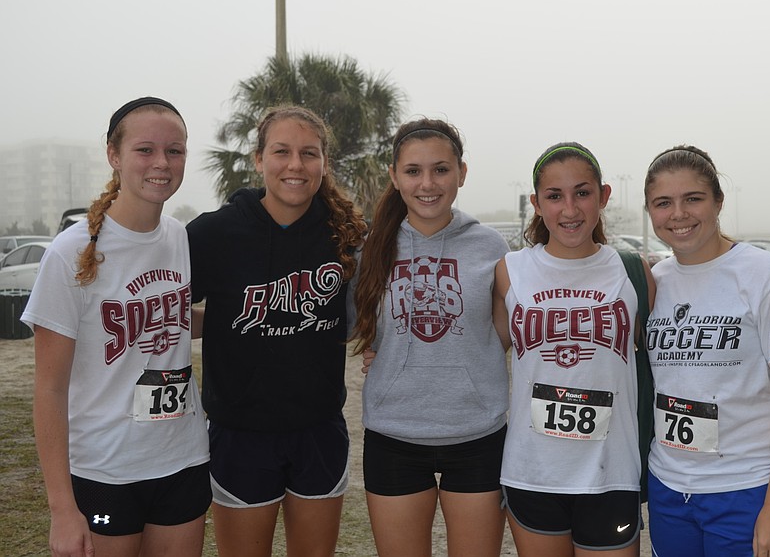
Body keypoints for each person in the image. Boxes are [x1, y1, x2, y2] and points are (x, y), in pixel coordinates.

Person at [24, 97, 210, 557]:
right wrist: (63, 509)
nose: (162, 163)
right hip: (105, 469)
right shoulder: (70, 253)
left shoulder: (178, 236)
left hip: (182, 458)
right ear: (113, 154)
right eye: (145, 150)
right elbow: (49, 390)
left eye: (175, 150)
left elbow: (173, 319)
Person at [186, 105, 367, 557]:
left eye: (309, 153)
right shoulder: (214, 233)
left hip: (319, 430)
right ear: (258, 158)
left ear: (324, 162)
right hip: (240, 434)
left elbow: (359, 318)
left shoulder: (344, 235)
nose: (295, 165)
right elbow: (171, 310)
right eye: (281, 151)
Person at [643, 145, 770, 557]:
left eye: (693, 199)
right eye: (663, 203)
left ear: (718, 201)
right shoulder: (653, 281)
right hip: (669, 487)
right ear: (650, 211)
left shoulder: (767, 275)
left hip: (748, 488)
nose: (678, 214)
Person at [349, 118, 510, 556]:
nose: (427, 183)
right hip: (394, 435)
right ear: (394, 176)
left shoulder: (491, 246)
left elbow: (505, 332)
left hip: (477, 435)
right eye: (413, 171)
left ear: (461, 172)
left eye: (441, 169)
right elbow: (361, 326)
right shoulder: (372, 247)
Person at [494, 142, 654, 557]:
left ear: (603, 196)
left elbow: (668, 355)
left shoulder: (634, 272)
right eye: (554, 196)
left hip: (612, 473)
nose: (570, 209)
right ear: (536, 203)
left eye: (582, 193)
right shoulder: (509, 271)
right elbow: (478, 348)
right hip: (532, 471)